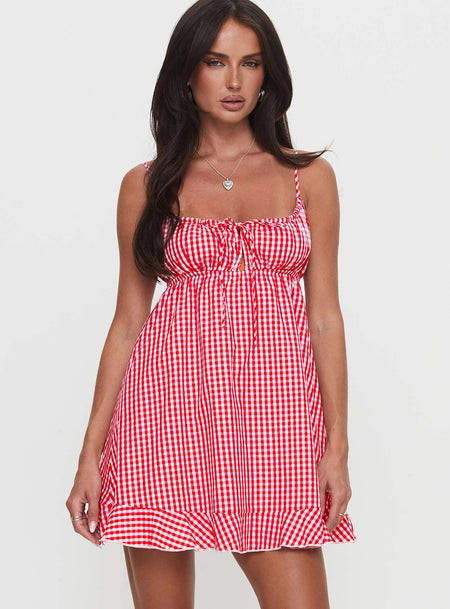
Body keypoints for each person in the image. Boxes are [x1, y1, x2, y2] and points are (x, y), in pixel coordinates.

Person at [66, 0, 356, 607]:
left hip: (276, 426)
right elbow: (128, 323)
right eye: (215, 62)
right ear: (187, 72)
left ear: (268, 73)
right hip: (161, 420)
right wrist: (90, 453)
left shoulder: (309, 179)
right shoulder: (146, 185)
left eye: (250, 63)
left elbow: (325, 317)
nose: (233, 82)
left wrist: (336, 445)